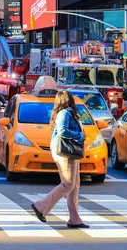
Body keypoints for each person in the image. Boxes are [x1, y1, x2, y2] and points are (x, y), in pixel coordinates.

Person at [31, 91, 89, 229]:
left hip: (70, 151)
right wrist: (79, 135)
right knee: (68, 184)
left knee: (74, 186)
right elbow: (63, 131)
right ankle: (40, 206)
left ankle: (74, 218)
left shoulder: (67, 112)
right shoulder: (64, 113)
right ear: (68, 100)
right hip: (63, 151)